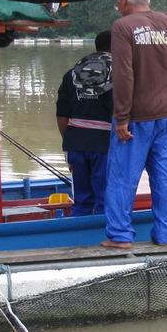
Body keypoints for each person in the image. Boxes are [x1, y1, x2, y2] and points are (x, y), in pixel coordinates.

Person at [102, 0, 167, 249]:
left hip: (136, 119)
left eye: (117, 2)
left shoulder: (123, 27)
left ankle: (121, 236)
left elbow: (124, 75)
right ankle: (165, 234)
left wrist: (122, 118)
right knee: (164, 176)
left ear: (123, 2)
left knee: (122, 176)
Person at [56, 30, 113, 216]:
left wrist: (70, 143)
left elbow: (62, 115)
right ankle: (105, 240)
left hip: (76, 143)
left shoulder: (71, 74)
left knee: (81, 201)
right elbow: (122, 114)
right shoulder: (118, 72)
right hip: (104, 145)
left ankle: (80, 241)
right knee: (105, 200)